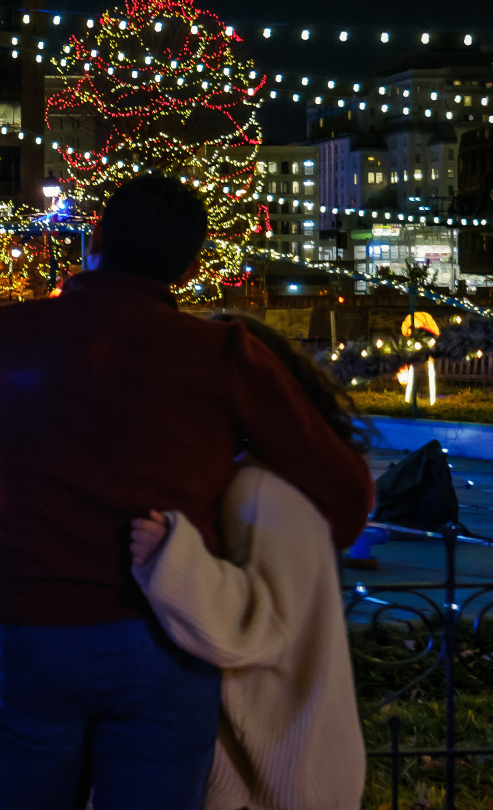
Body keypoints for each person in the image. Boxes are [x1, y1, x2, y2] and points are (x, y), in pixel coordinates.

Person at [0, 175, 374, 810]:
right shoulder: (221, 353)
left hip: (35, 630)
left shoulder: (5, 334)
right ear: (188, 267)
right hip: (162, 639)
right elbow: (344, 485)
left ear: (95, 233)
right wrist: (302, 560)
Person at [129, 316, 369, 810]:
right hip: (290, 764)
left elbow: (257, 627)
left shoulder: (259, 491)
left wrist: (169, 557)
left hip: (275, 774)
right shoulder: (279, 477)